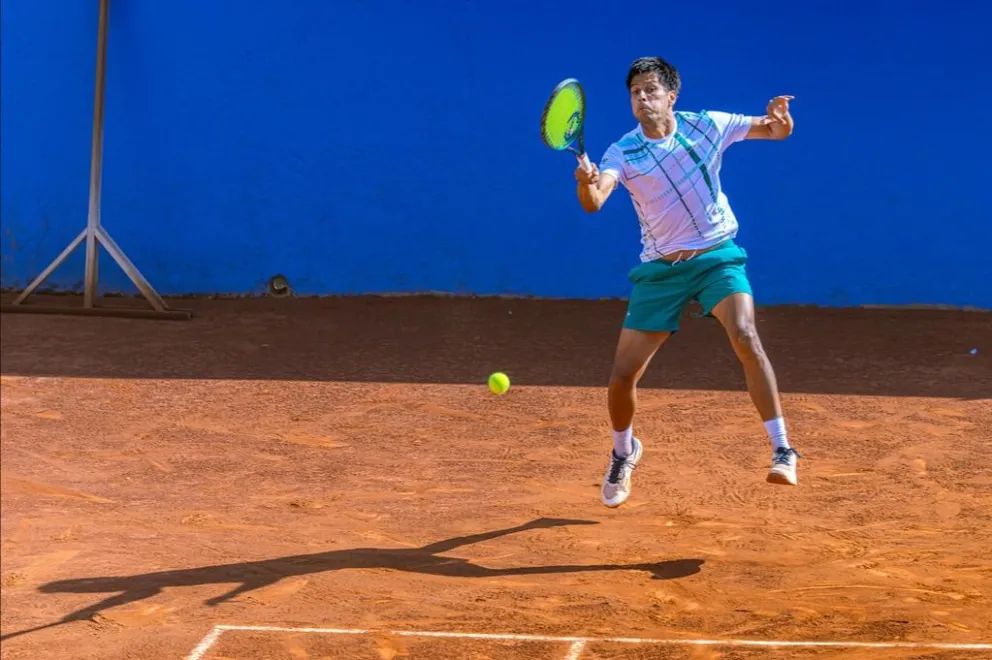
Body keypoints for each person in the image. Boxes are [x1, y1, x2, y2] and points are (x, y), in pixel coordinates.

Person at [574, 56, 801, 508]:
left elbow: (773, 131)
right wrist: (586, 182)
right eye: (635, 91)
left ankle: (782, 448)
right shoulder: (621, 151)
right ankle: (624, 452)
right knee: (621, 379)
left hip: (717, 256)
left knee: (745, 334)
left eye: (652, 90)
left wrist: (781, 122)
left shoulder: (709, 125)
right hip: (661, 271)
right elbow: (595, 202)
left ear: (672, 96)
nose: (642, 97)